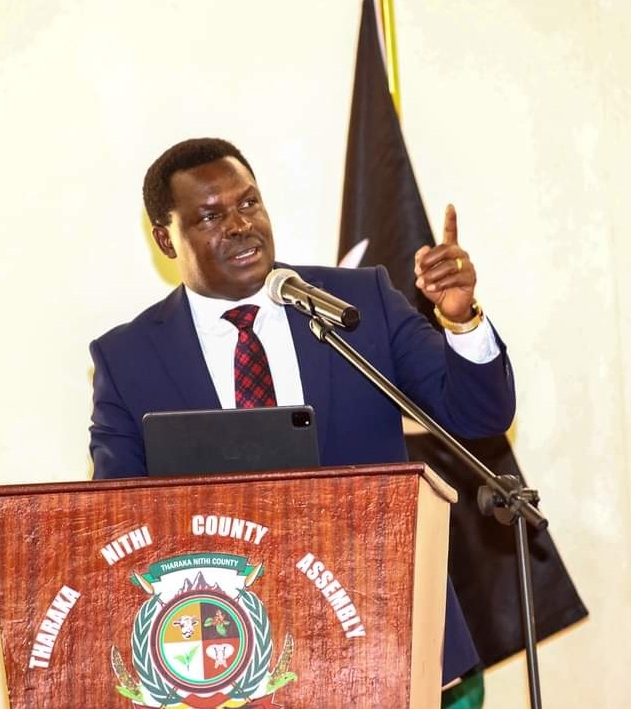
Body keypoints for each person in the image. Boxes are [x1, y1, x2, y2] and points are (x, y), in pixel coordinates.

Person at [88, 137, 516, 682]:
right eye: (211, 216)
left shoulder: (359, 303)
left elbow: (480, 416)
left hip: (383, 626)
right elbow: (114, 520)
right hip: (228, 650)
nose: (240, 225)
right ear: (166, 240)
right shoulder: (128, 358)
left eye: (249, 203)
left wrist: (460, 318)